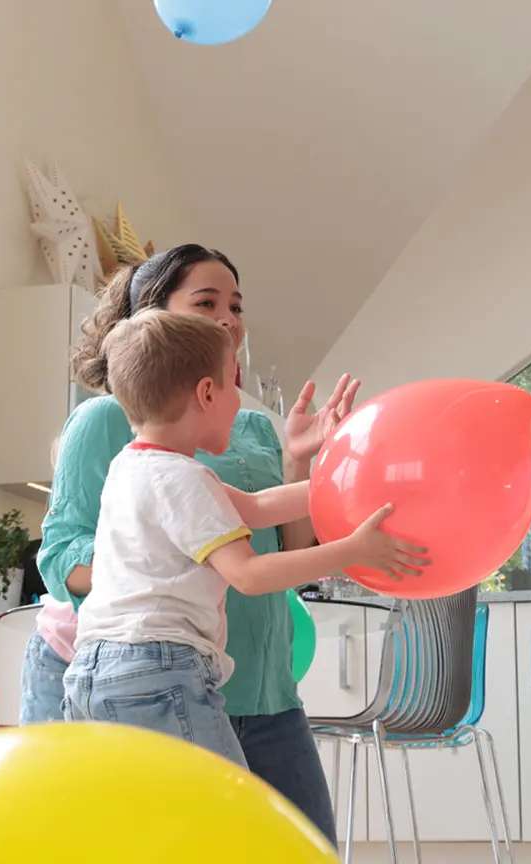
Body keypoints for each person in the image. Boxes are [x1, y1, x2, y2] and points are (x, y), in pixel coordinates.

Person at [22, 243, 364, 844]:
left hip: (263, 684)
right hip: (165, 682)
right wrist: (146, 567)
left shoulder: (251, 424)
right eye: (206, 302)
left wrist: (304, 463)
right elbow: (57, 555)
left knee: (305, 849)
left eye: (236, 304)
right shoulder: (109, 421)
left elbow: (280, 532)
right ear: (156, 315)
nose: (229, 317)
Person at [61, 309, 426, 766]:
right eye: (235, 385)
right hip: (161, 671)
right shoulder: (182, 479)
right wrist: (353, 550)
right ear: (207, 393)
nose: (240, 401)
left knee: (157, 819)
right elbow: (248, 574)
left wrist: (353, 482)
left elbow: (257, 507)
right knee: (228, 811)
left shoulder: (133, 467)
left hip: (95, 671)